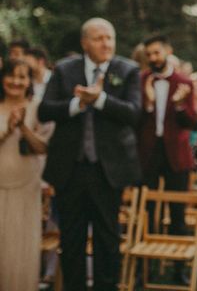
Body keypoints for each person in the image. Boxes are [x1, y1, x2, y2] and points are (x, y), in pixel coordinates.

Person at [38, 17, 142, 291]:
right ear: (85, 43)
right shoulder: (63, 69)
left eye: (109, 37)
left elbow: (133, 113)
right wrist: (76, 104)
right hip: (69, 171)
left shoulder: (128, 69)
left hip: (108, 171)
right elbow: (44, 110)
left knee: (108, 239)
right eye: (99, 38)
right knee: (71, 238)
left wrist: (100, 100)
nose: (106, 43)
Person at [138, 34, 197, 285]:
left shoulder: (185, 82)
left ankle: (179, 270)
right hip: (148, 155)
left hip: (176, 156)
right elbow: (134, 119)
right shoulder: (140, 80)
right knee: (147, 212)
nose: (152, 58)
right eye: (149, 54)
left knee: (177, 214)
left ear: (167, 51)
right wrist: (149, 103)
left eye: (156, 52)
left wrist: (181, 105)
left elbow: (193, 121)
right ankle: (146, 268)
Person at [0, 59, 52, 290]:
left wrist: (22, 127)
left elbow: (42, 147)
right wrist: (7, 129)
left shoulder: (38, 107)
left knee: (20, 246)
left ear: (30, 81)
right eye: (11, 76)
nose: (15, 82)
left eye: (22, 77)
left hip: (26, 186)